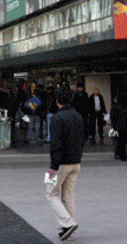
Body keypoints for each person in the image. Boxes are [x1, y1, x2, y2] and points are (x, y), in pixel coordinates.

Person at [47, 88, 85, 242]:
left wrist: (52, 167)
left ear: (58, 101)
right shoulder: (78, 116)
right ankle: (70, 230)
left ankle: (68, 224)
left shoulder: (57, 118)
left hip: (61, 164)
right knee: (68, 195)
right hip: (76, 162)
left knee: (51, 193)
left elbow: (56, 145)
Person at [109, 94, 127, 161]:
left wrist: (114, 126)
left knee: (121, 142)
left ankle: (122, 156)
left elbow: (113, 117)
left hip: (120, 127)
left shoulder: (116, 106)